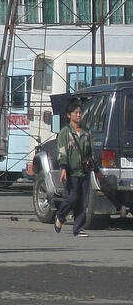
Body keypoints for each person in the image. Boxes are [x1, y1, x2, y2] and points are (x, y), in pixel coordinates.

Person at [53, 99, 102, 237]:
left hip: (84, 172)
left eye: (80, 112)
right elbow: (61, 152)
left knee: (83, 201)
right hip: (70, 172)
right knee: (71, 198)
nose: (79, 115)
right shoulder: (65, 132)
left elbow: (90, 153)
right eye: (76, 113)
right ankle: (60, 216)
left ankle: (78, 228)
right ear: (69, 115)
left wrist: (96, 170)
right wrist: (63, 167)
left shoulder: (87, 132)